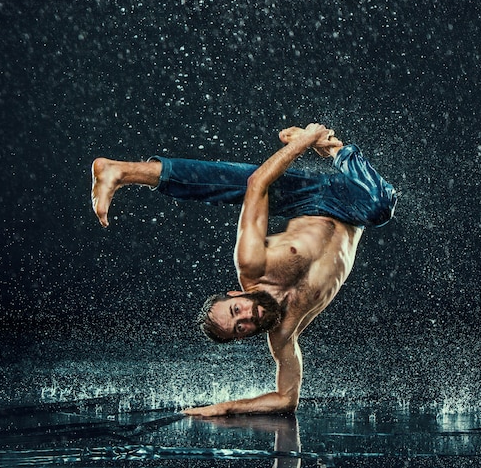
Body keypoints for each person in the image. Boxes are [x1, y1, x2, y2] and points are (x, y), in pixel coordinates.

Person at [91, 124, 397, 417]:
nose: (248, 317)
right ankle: (332, 147)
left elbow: (258, 184)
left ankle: (121, 171)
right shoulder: (284, 335)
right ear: (244, 336)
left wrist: (303, 142)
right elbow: (286, 399)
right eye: (241, 327)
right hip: (354, 207)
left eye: (237, 309)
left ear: (236, 293)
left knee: (238, 182)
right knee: (378, 207)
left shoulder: (253, 264)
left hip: (312, 197)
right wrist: (225, 407)